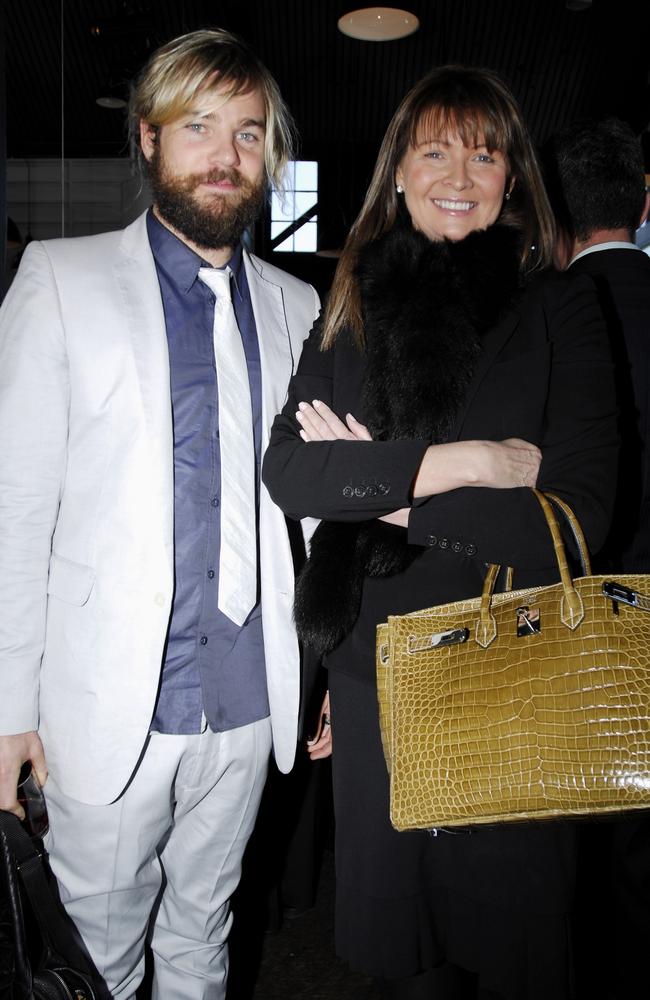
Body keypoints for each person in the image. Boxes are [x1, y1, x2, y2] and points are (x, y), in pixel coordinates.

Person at [262, 65, 618, 1000]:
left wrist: (386, 490)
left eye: (485, 152)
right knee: (405, 965)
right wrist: (465, 463)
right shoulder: (350, 305)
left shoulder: (559, 305)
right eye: (434, 150)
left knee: (515, 953)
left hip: (513, 675)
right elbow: (292, 472)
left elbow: (578, 519)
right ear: (398, 171)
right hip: (374, 683)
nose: (459, 173)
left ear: (513, 179)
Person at [0, 28, 319, 1000]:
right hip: (104, 711)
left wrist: (327, 667)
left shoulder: (300, 306)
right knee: (95, 957)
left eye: (248, 133)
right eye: (198, 127)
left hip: (251, 705)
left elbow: (312, 521)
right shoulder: (61, 281)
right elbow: (13, 515)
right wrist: (5, 712)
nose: (225, 155)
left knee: (201, 935)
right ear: (147, 140)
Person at [544, 117, 650, 1000]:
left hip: (584, 608)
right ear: (645, 204)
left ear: (558, 223)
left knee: (580, 832)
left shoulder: (544, 316)